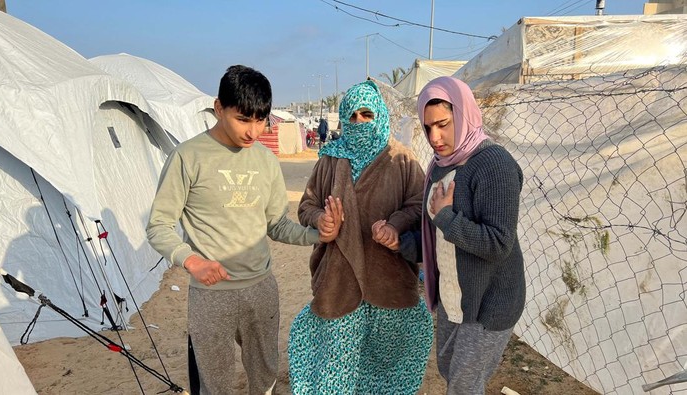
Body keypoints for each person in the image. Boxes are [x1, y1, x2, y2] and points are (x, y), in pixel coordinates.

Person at [146, 65, 343, 395]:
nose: (253, 131)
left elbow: (276, 226)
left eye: (260, 119)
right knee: (215, 384)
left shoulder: (265, 160)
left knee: (264, 378)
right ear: (219, 108)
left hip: (261, 290)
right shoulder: (187, 157)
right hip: (211, 296)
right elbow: (159, 226)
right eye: (243, 119)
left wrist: (317, 235)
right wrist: (191, 261)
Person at [288, 80, 433, 394]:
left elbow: (419, 204)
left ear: (379, 114)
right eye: (352, 116)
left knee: (383, 367)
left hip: (388, 280)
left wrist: (395, 224)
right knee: (336, 364)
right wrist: (322, 221)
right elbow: (307, 205)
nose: (359, 123)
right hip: (339, 281)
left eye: (366, 114)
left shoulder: (402, 159)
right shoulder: (330, 159)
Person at [417, 76, 525, 395]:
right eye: (428, 128)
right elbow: (436, 236)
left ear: (464, 115)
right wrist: (399, 241)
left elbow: (499, 244)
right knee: (450, 370)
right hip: (456, 297)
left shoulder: (493, 164)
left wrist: (447, 218)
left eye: (443, 124)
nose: (435, 137)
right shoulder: (440, 164)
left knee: (463, 387)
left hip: (489, 302)